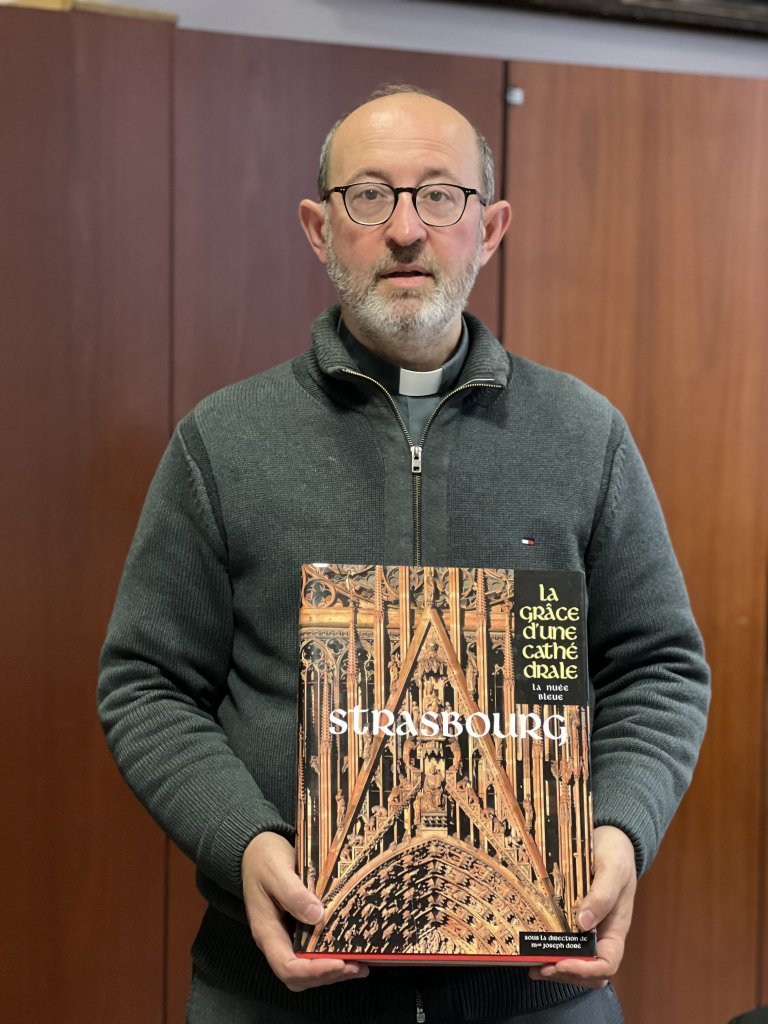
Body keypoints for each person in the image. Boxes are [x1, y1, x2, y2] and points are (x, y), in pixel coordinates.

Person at [98, 86, 710, 1023]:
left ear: (491, 226)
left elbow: (660, 667)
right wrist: (245, 843)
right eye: (370, 196)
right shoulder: (222, 442)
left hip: (536, 993)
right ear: (318, 226)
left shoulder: (586, 436)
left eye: (441, 195)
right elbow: (145, 683)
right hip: (272, 987)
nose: (407, 231)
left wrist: (621, 831)